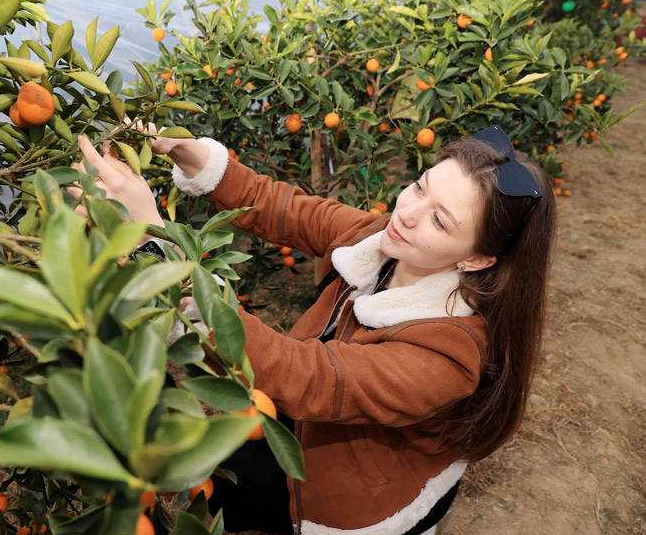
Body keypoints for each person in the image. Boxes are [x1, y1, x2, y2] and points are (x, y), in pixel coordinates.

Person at [66, 124, 557, 535]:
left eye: (439, 220)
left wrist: (151, 233)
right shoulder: (386, 238)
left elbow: (312, 377)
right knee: (227, 485)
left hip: (356, 490)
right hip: (298, 421)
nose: (406, 212)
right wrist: (193, 155)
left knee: (236, 482)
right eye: (421, 186)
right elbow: (283, 208)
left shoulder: (447, 358)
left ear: (476, 259)